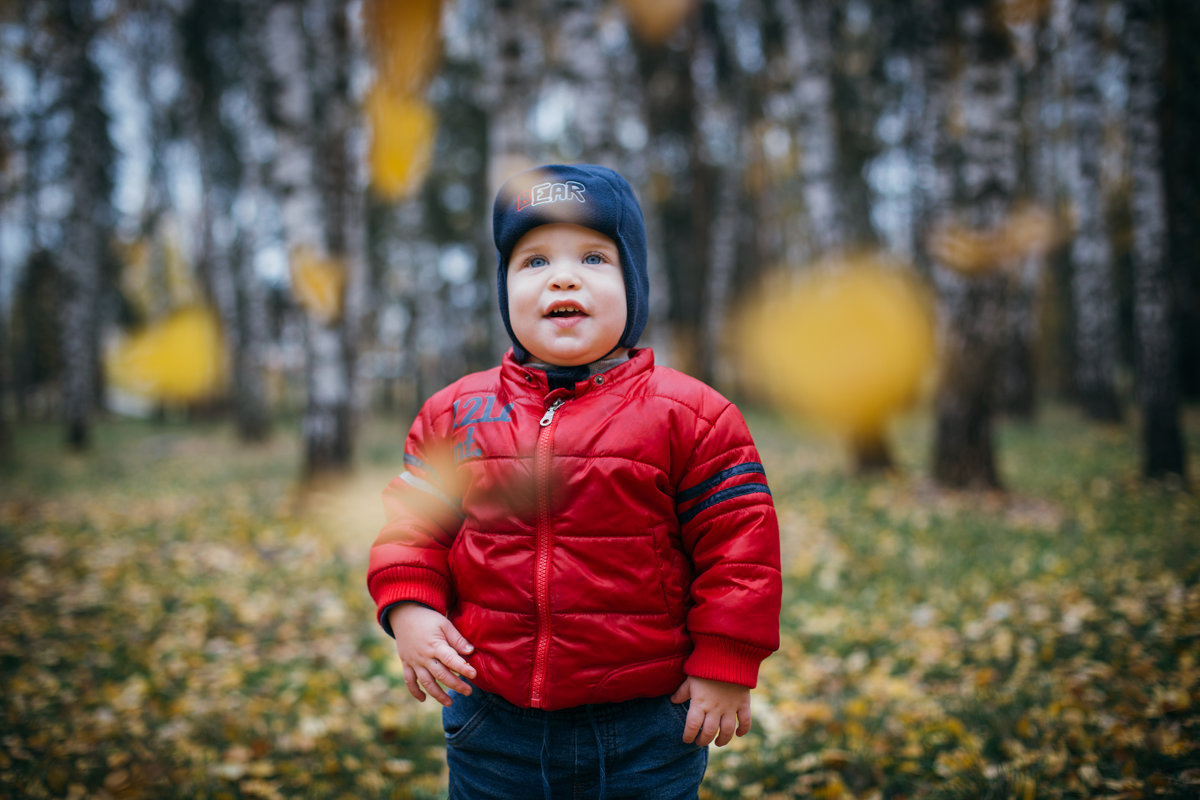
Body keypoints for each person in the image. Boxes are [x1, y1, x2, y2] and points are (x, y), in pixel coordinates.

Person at [367, 163, 781, 800]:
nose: (562, 276)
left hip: (643, 724)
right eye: (533, 262)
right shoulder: (456, 412)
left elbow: (740, 548)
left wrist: (726, 661)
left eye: (593, 257)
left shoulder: (690, 414)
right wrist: (411, 606)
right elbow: (410, 528)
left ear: (633, 285)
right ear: (505, 289)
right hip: (493, 719)